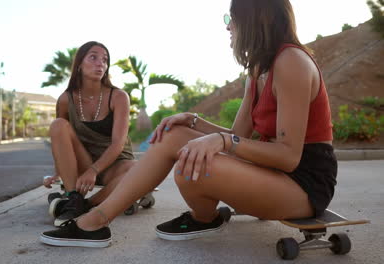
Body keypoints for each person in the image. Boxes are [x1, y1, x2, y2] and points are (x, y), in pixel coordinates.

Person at [40, 0, 337, 247]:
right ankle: (203, 218)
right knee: (177, 135)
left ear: (252, 19)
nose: (227, 26)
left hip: (303, 186)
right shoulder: (258, 70)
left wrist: (221, 142)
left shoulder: (292, 63)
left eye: (230, 18)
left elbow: (288, 156)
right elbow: (237, 137)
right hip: (271, 175)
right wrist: (193, 121)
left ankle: (93, 222)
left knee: (194, 161)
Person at [45, 41, 135, 227]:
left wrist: (93, 171)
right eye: (93, 57)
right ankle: (73, 196)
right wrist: (58, 172)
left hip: (115, 164)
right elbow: (61, 138)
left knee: (137, 170)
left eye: (105, 59)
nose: (100, 63)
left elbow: (118, 144)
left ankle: (84, 204)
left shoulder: (118, 97)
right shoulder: (65, 99)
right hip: (84, 161)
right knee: (58, 125)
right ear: (79, 64)